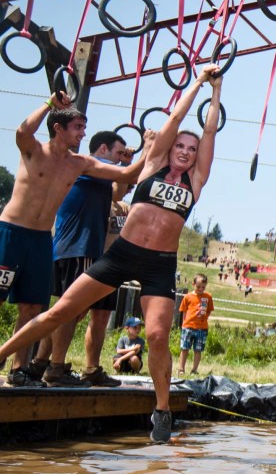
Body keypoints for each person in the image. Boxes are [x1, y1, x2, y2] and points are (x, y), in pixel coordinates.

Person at [0, 64, 225, 442]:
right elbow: (177, 118)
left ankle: (162, 411)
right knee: (59, 311)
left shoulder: (196, 180)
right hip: (121, 254)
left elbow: (208, 129)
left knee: (156, 336)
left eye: (191, 149)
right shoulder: (152, 164)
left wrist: (216, 93)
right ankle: (3, 353)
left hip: (159, 265)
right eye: (180, 147)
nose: (186, 152)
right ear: (169, 150)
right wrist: (200, 81)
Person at [0, 92, 144, 386]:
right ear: (59, 129)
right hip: (12, 233)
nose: (83, 133)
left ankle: (18, 371)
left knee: (33, 307)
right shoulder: (33, 149)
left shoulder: (79, 163)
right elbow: (22, 131)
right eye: (78, 127)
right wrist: (50, 104)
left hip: (42, 240)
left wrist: (155, 146)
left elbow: (128, 173)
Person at [30, 129, 136, 388]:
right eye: (118, 153)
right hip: (80, 248)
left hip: (95, 255)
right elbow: (121, 180)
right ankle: (53, 367)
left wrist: (127, 163)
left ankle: (55, 365)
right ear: (102, 150)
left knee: (77, 313)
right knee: (67, 311)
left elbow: (119, 191)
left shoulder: (103, 178)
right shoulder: (86, 165)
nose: (122, 158)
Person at [177, 273, 214, 376]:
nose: (201, 289)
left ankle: (194, 370)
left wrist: (205, 318)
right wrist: (184, 324)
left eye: (203, 287)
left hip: (202, 328)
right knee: (184, 348)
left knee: (198, 349)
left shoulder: (208, 297)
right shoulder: (188, 296)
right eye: (198, 287)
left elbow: (209, 310)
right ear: (193, 284)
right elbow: (183, 311)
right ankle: (181, 369)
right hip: (188, 327)